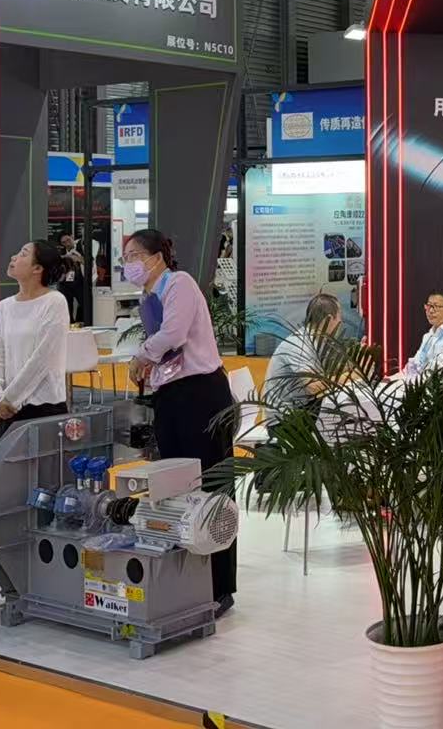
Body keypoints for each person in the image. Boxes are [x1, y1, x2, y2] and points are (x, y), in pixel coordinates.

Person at [123, 229, 237, 615]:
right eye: (126, 258)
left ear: (157, 257)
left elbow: (173, 334)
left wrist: (141, 357)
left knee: (210, 486)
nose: (129, 264)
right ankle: (187, 580)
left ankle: (219, 586)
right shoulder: (148, 297)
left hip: (201, 395)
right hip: (171, 396)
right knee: (175, 486)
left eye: (134, 255)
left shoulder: (179, 284)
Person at [0, 240, 73, 447]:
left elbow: (42, 359)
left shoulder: (54, 301)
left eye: (23, 254)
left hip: (43, 406)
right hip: (7, 408)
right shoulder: (4, 307)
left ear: (37, 268)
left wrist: (11, 398)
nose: (14, 257)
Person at [263, 292, 342, 425]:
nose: (341, 322)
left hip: (304, 407)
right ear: (329, 319)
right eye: (339, 318)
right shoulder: (299, 345)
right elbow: (313, 387)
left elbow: (334, 369)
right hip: (284, 420)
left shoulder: (318, 340)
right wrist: (352, 376)